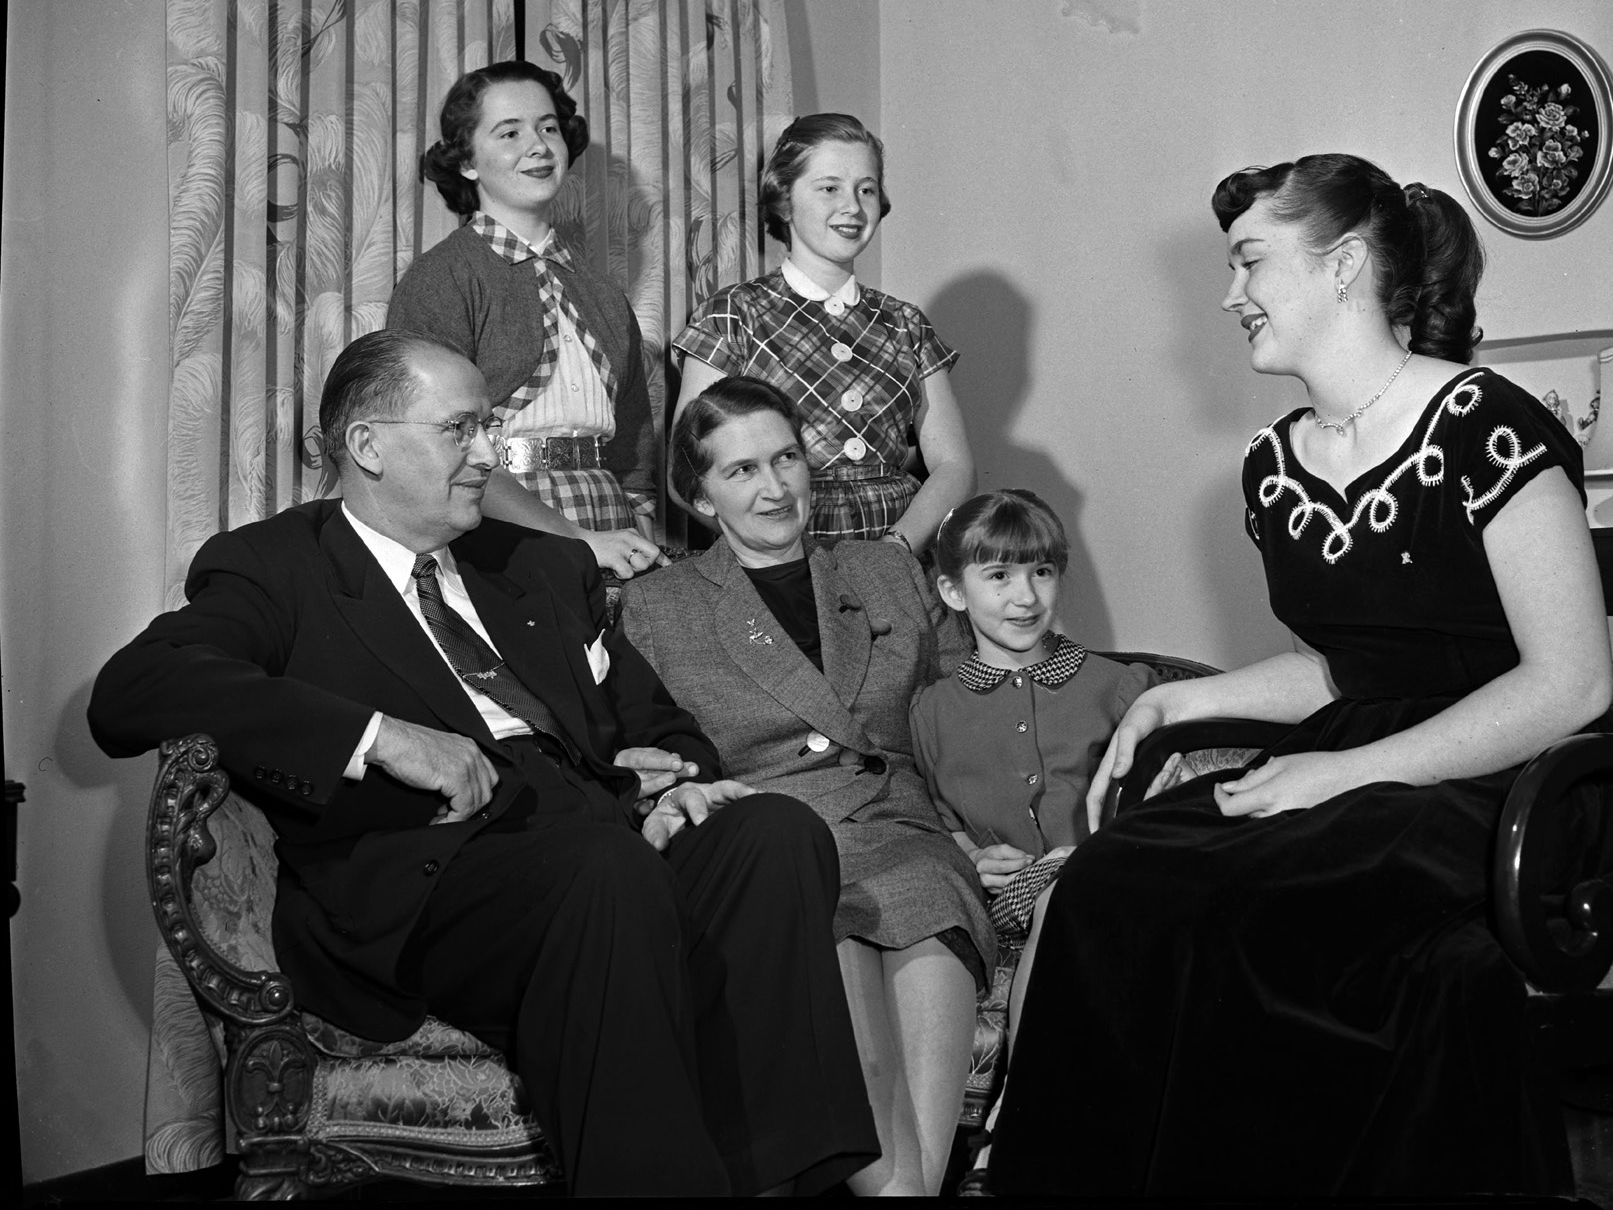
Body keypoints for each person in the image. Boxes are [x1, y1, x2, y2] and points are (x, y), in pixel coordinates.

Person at [986, 154, 1613, 1197]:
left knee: (1242, 892)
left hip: (1525, 778)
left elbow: (1571, 683)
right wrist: (1188, 695)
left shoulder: (1488, 423)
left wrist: (1342, 776)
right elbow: (1344, 665)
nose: (1227, 294)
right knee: (1109, 880)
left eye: (1250, 262)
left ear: (1343, 266)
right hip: (1364, 757)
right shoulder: (1272, 463)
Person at [88, 330, 876, 1196]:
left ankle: (773, 1178)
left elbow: (653, 715)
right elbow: (136, 689)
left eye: (488, 428)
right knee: (599, 868)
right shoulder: (277, 566)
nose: (489, 455)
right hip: (439, 879)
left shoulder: (539, 567)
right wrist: (379, 735)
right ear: (367, 445)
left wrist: (675, 780)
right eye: (459, 430)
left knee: (774, 834)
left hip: (599, 842)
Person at [621, 377, 995, 1196]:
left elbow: (958, 711)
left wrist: (997, 822)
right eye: (742, 470)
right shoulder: (657, 606)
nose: (774, 486)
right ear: (700, 495)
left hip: (906, 833)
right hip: (781, 848)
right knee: (829, 933)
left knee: (925, 894)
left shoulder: (884, 571)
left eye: (786, 457)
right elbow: (652, 760)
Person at [908, 489, 1155, 1188]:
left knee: (1069, 887)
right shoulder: (930, 710)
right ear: (953, 591)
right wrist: (964, 855)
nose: (1025, 596)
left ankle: (1001, 1135)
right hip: (997, 912)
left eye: (1041, 572)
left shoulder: (1119, 686)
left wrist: (1084, 858)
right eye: (998, 576)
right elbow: (927, 820)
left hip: (1102, 894)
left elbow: (1156, 801)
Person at [388, 60, 662, 580]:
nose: (537, 145)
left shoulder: (602, 291)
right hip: (492, 523)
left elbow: (632, 447)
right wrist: (579, 543)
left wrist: (638, 545)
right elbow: (438, 443)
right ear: (467, 161)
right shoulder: (440, 278)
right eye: (509, 132)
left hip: (609, 519)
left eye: (548, 128)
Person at [669, 114, 973, 558]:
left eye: (865, 189)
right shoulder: (732, 315)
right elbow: (688, 474)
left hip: (901, 560)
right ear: (785, 200)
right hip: (782, 560)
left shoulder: (906, 323)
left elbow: (954, 464)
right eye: (829, 188)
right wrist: (772, 554)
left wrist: (896, 551)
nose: (852, 206)